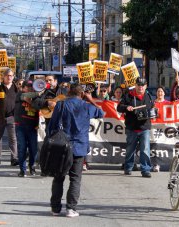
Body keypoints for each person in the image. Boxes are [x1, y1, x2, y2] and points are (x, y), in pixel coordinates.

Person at [49, 83, 104, 218]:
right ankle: (71, 208)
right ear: (82, 94)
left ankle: (55, 208)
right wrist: (90, 99)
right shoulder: (86, 106)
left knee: (58, 177)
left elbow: (52, 126)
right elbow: (101, 113)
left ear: (69, 92)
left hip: (61, 146)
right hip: (79, 147)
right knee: (75, 178)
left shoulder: (61, 105)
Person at [117, 77, 154, 178]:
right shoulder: (128, 95)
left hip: (144, 128)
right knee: (130, 149)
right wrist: (126, 108)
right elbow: (119, 107)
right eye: (138, 85)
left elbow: (152, 109)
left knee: (145, 149)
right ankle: (128, 167)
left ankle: (145, 169)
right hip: (132, 128)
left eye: (142, 85)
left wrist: (154, 114)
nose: (140, 87)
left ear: (145, 86)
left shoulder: (149, 96)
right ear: (135, 85)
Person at [0, 68, 18, 165]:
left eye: (11, 75)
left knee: (13, 139)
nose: (9, 77)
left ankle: (14, 158)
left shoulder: (16, 88)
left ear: (13, 77)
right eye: (7, 75)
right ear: (4, 77)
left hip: (12, 117)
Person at [14, 81, 39, 177]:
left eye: (31, 87)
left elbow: (39, 105)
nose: (30, 89)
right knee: (22, 148)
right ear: (23, 88)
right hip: (21, 125)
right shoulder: (19, 94)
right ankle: (22, 170)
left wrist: (33, 100)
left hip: (33, 126)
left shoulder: (36, 97)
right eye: (28, 87)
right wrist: (39, 92)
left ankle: (32, 167)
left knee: (33, 149)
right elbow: (26, 96)